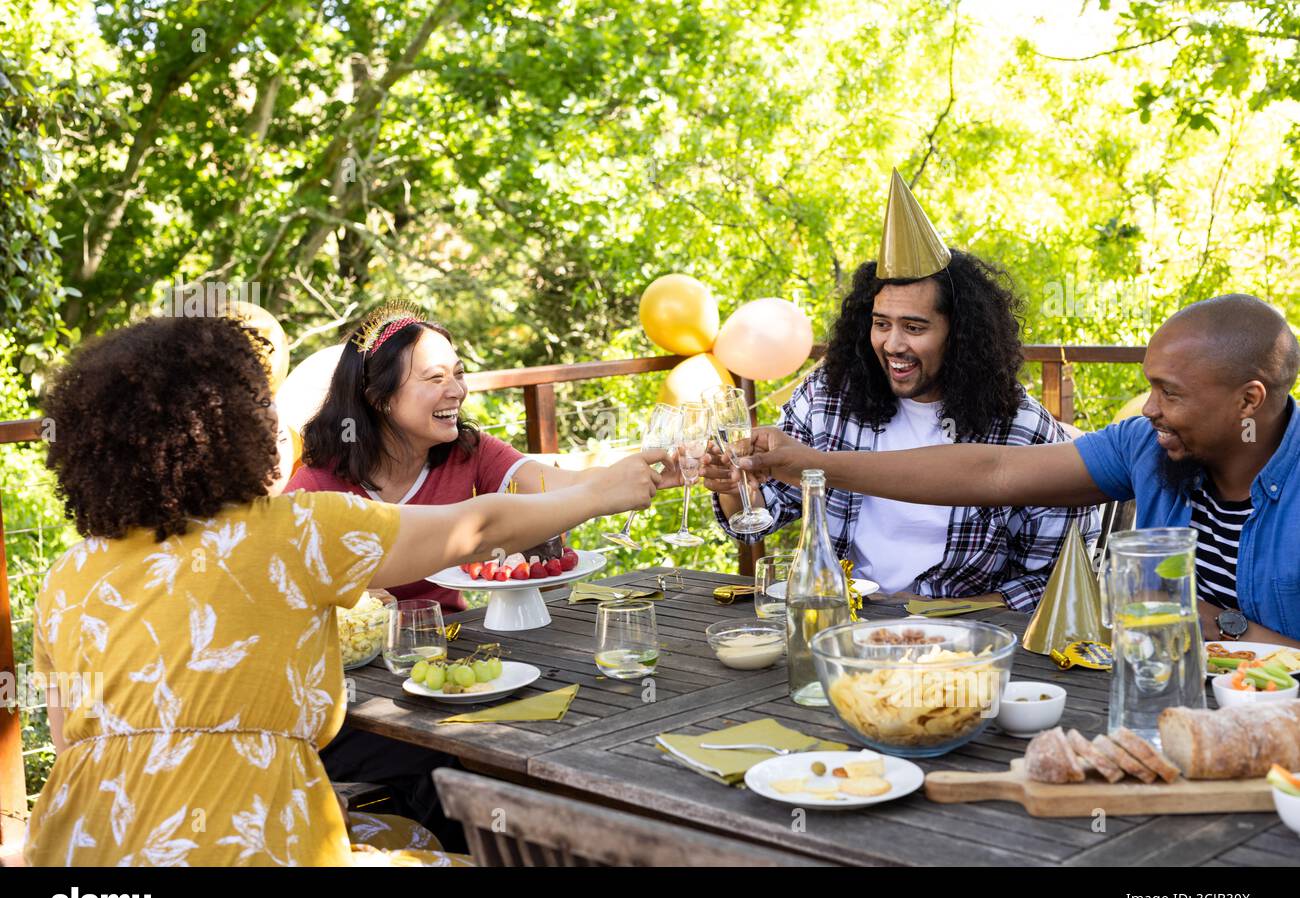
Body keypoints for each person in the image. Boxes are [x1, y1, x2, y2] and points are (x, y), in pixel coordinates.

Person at [23, 313, 670, 866]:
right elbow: (479, 529)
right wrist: (604, 489)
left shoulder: (64, 578)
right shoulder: (295, 530)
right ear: (236, 428)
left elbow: (73, 738)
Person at [734, 294, 1300, 647]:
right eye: (1150, 386)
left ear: (1248, 400)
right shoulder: (1143, 446)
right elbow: (992, 471)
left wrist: (1224, 628)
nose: (1149, 408)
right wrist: (809, 465)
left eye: (1169, 393)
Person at [704, 172, 1096, 611]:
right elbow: (758, 519)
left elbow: (1058, 578)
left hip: (959, 636)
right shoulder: (828, 398)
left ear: (960, 335)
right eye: (881, 323)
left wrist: (936, 612)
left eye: (914, 327)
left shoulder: (1022, 429)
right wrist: (733, 485)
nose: (892, 344)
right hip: (843, 621)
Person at [285, 300, 614, 611]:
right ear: (380, 398)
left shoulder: (471, 452)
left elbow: (563, 485)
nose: (457, 391)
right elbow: (275, 583)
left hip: (456, 642)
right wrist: (345, 601)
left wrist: (633, 474)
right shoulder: (315, 487)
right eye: (435, 378)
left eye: (458, 373)